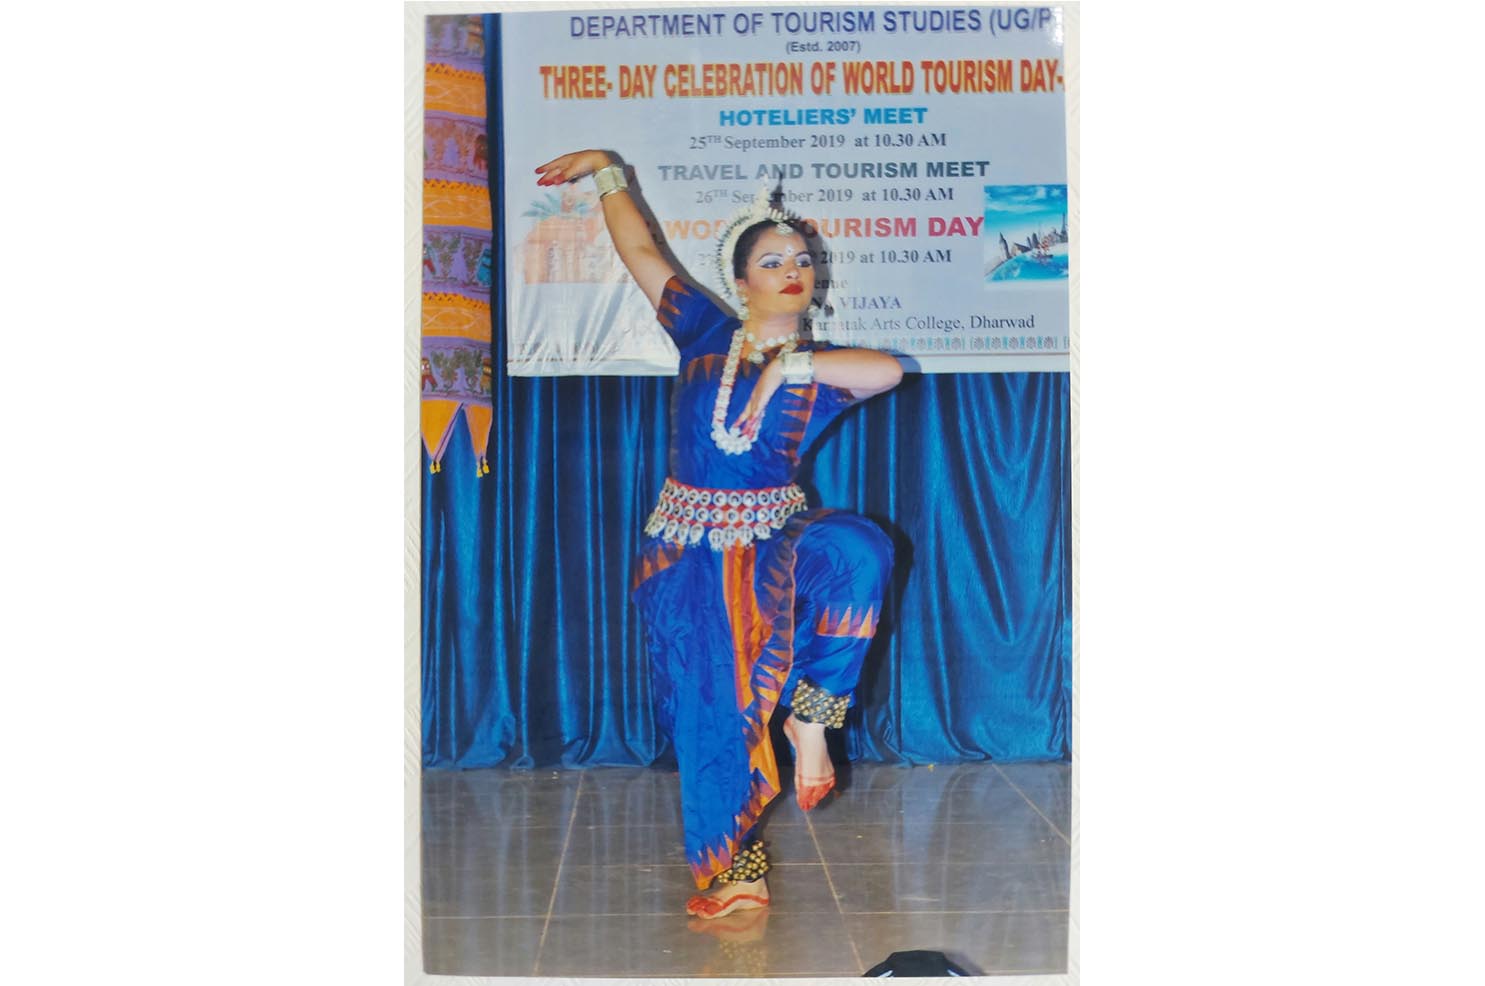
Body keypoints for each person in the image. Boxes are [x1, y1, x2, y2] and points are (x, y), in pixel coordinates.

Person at [535, 150, 903, 920]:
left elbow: (888, 372)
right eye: (772, 262)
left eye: (801, 260)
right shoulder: (704, 332)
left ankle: (812, 718)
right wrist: (606, 172)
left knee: (858, 550)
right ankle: (738, 872)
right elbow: (641, 251)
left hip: (769, 542)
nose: (791, 271)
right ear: (740, 282)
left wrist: (788, 369)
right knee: (711, 712)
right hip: (687, 556)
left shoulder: (821, 367)